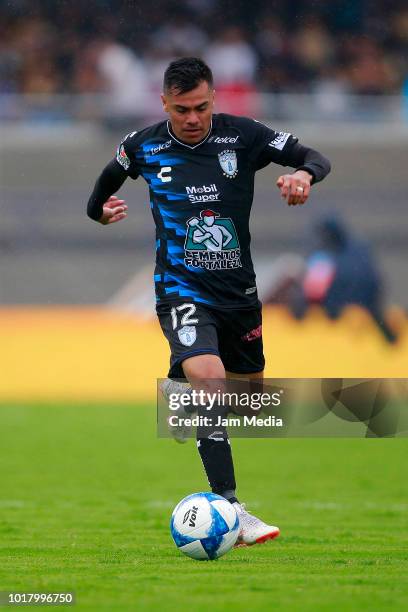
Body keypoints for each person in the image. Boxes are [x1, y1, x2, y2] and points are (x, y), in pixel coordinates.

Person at [87, 57, 331, 546]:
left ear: (213, 98)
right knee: (210, 380)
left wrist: (304, 176)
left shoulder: (243, 136)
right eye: (182, 110)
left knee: (248, 398)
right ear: (164, 104)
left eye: (200, 107)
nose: (193, 118)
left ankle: (183, 385)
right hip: (181, 289)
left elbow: (314, 157)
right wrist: (99, 211)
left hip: (239, 296)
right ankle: (232, 508)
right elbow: (103, 186)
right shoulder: (143, 145)